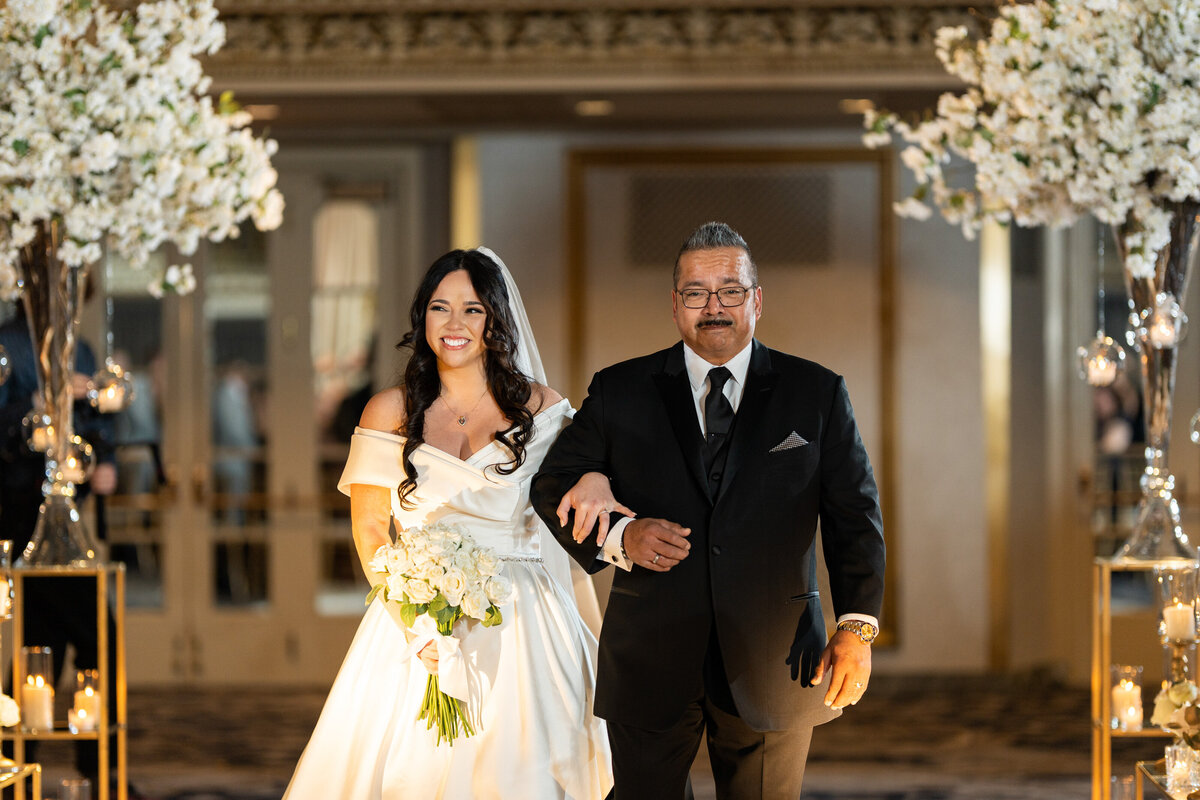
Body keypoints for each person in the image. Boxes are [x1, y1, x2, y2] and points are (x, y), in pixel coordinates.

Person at [531, 222, 887, 799]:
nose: (713, 306)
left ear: (757, 300)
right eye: (696, 293)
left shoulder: (816, 393)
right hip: (649, 653)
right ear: (675, 305)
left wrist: (857, 629)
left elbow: (855, 517)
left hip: (777, 655)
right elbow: (552, 485)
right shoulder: (621, 389)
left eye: (731, 290)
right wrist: (622, 535)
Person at [283, 248, 615, 799]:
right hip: (414, 619)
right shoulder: (388, 410)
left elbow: (581, 488)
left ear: (495, 322)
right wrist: (415, 626)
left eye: (473, 309)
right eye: (440, 308)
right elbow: (370, 531)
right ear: (423, 318)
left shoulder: (542, 409)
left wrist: (597, 477)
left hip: (523, 623)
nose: (455, 324)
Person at [0, 302, 121, 791]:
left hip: (69, 511)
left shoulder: (81, 344)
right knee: (94, 639)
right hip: (22, 510)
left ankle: (19, 769)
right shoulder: (7, 343)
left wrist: (104, 454)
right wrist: (39, 403)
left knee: (41, 644)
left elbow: (99, 416)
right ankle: (96, 772)